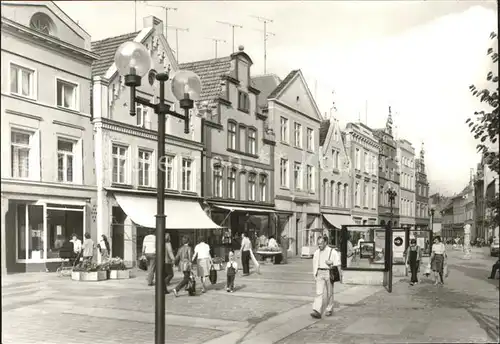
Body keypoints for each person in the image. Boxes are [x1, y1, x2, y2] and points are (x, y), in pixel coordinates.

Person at [311, 236, 340, 319]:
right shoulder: (317, 252)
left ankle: (329, 309)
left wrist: (331, 263)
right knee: (318, 292)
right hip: (319, 272)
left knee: (329, 292)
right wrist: (315, 274)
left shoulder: (332, 251)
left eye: (321, 244)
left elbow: (338, 262)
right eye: (318, 244)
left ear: (325, 243)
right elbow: (314, 263)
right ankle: (317, 310)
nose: (319, 245)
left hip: (328, 272)